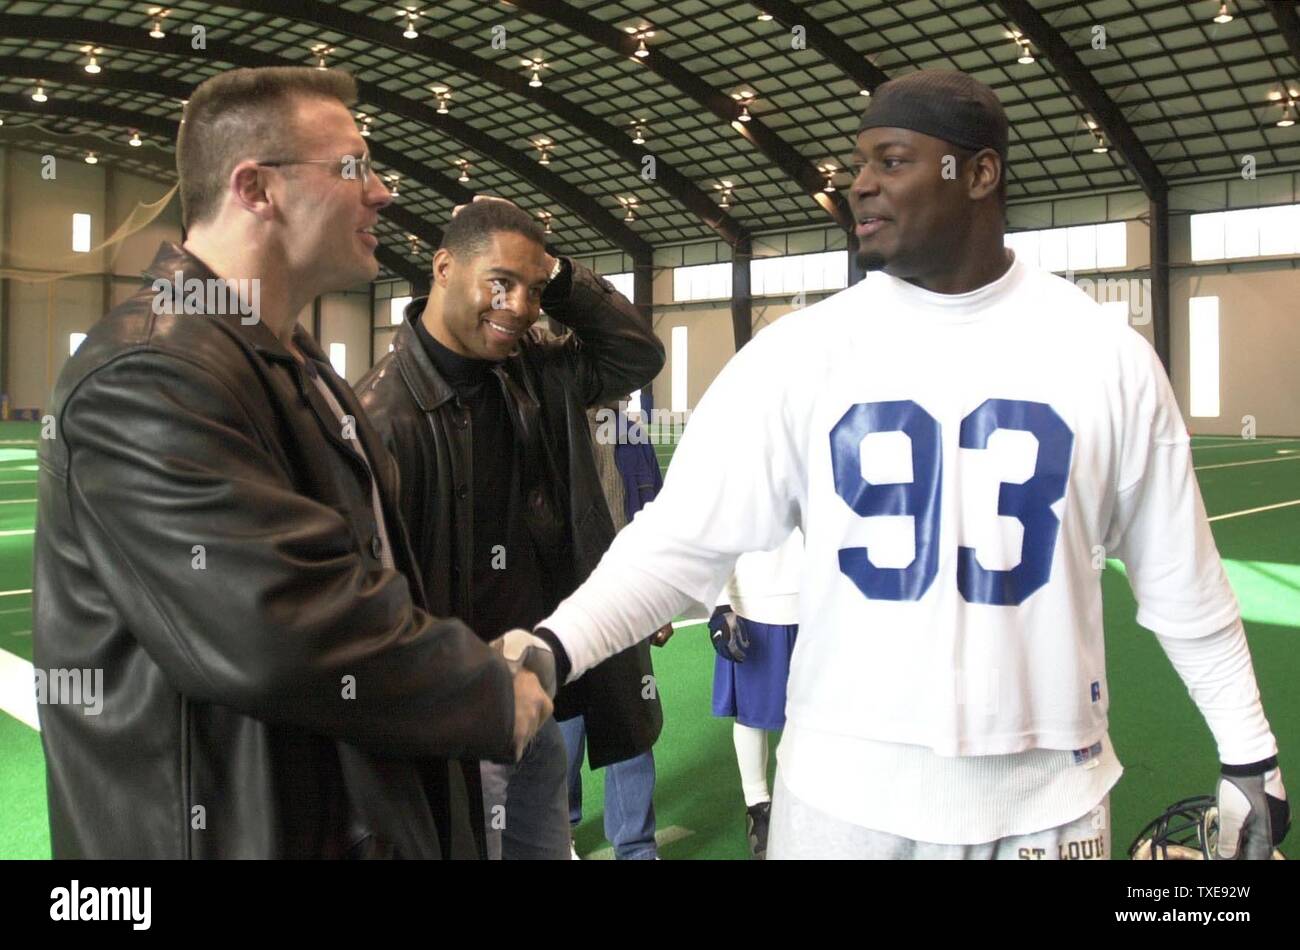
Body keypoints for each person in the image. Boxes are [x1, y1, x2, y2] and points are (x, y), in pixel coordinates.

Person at [523, 70, 1289, 860]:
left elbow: (1183, 584)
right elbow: (678, 541)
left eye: (891, 161)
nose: (860, 186)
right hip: (839, 811)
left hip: (1046, 809)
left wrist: (1250, 752)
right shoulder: (798, 354)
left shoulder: (1109, 359)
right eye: (858, 165)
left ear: (980, 173)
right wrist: (553, 646)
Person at [32, 66, 552, 859]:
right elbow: (276, 623)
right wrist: (484, 690)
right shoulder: (145, 374)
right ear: (255, 188)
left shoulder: (292, 360)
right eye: (353, 167)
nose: (380, 191)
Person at [355, 200, 664, 859]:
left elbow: (637, 355)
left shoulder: (535, 367)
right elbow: (369, 611)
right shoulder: (382, 418)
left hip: (528, 706)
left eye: (533, 289)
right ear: (443, 268)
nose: (520, 306)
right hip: (449, 723)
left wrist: (560, 277)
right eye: (502, 282)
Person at [558, 404, 674, 860]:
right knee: (561, 728)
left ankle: (636, 845)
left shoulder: (630, 431)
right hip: (561, 600)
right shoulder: (546, 419)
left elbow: (657, 515)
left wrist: (660, 595)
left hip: (625, 595)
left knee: (631, 723)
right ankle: (557, 833)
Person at [708, 528, 803, 859]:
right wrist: (720, 604)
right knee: (752, 711)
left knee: (817, 713)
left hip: (820, 597)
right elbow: (715, 524)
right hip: (754, 600)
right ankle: (758, 805)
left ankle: (804, 800)